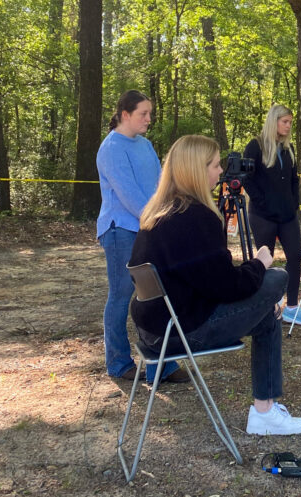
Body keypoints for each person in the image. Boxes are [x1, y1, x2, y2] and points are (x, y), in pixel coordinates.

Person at [128, 135, 301, 435]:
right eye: (213, 165)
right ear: (196, 171)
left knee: (266, 316)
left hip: (154, 331)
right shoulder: (194, 217)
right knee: (277, 277)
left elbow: (209, 278)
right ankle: (264, 412)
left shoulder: (159, 212)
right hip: (181, 333)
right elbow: (227, 287)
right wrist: (260, 264)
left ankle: (265, 410)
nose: (220, 170)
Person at [96, 90, 186, 384]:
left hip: (150, 226)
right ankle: (119, 363)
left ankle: (163, 364)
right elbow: (130, 196)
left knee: (158, 294)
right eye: (143, 114)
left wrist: (172, 209)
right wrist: (160, 221)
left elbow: (161, 184)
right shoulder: (111, 148)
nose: (149, 119)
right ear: (125, 115)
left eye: (149, 113)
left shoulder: (145, 145)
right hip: (121, 230)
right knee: (122, 295)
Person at [243, 104, 301, 327]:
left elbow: (294, 179)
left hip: (287, 215)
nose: (288, 126)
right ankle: (267, 307)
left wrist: (294, 203)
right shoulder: (255, 146)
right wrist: (262, 202)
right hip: (263, 215)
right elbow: (247, 179)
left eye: (290, 122)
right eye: (285, 122)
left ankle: (291, 307)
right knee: (266, 260)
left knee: (295, 255)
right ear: (273, 121)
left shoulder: (288, 148)